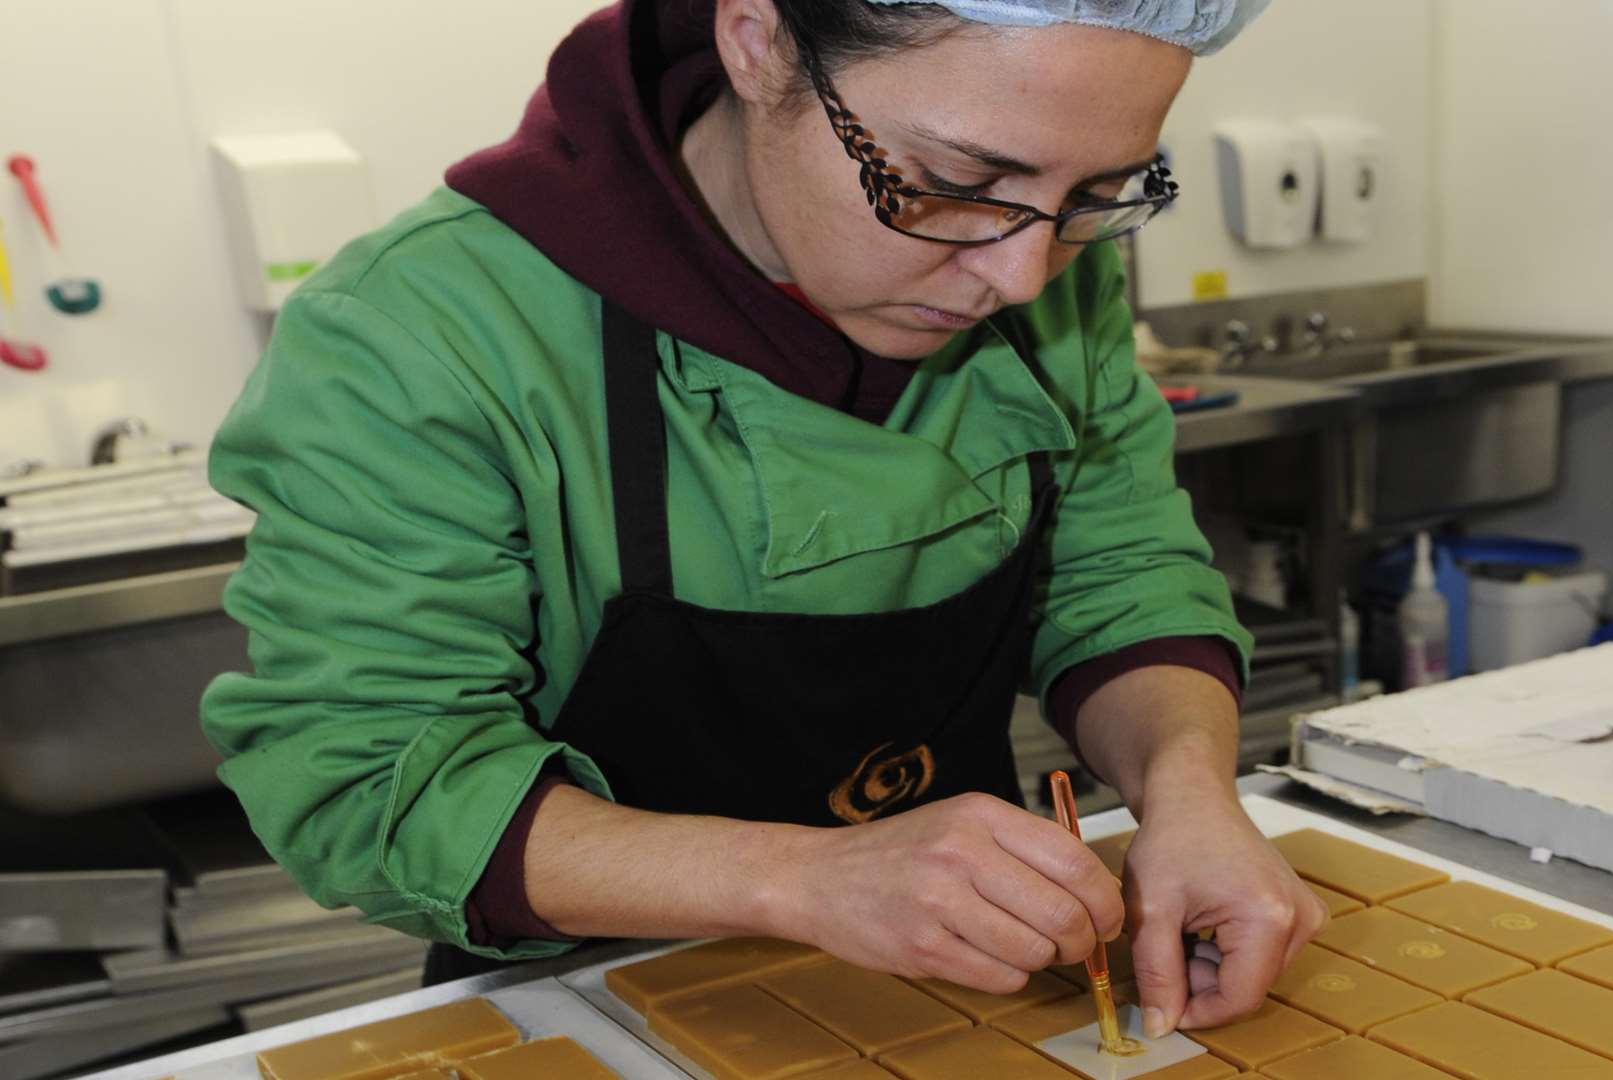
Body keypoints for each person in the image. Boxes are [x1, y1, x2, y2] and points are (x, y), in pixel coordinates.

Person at [200, 0, 1326, 1039]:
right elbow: (371, 772)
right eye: (953, 181)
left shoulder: (1040, 266)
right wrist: (804, 881)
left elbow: (1118, 572)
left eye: (1094, 198)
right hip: (591, 1006)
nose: (1024, 274)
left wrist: (1188, 794)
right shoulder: (422, 332)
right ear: (757, 38)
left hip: (964, 984)